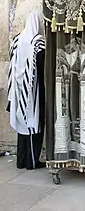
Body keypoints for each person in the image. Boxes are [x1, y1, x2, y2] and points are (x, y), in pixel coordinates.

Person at [7, 10, 46, 170]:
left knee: (22, 125)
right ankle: (32, 162)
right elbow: (42, 69)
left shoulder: (17, 40)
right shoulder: (38, 43)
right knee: (34, 123)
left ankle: (21, 160)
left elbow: (11, 65)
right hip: (33, 90)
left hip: (17, 89)